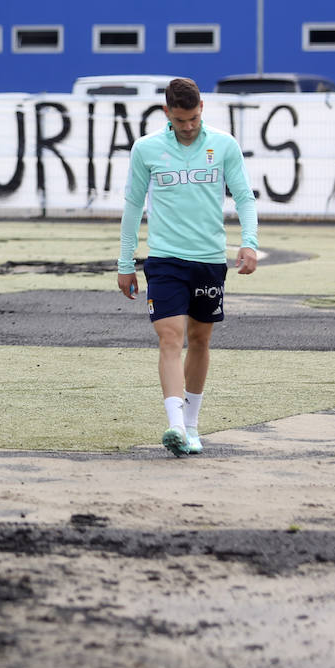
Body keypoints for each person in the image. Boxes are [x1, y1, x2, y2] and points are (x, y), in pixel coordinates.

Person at [116, 77, 258, 458]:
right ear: (167, 114)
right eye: (181, 121)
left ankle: (192, 426)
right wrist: (125, 262)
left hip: (210, 259)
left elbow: (244, 196)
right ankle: (175, 425)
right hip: (165, 260)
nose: (189, 127)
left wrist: (249, 242)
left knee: (200, 340)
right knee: (169, 337)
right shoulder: (146, 149)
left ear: (201, 110)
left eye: (194, 119)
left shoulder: (223, 145)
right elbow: (133, 206)